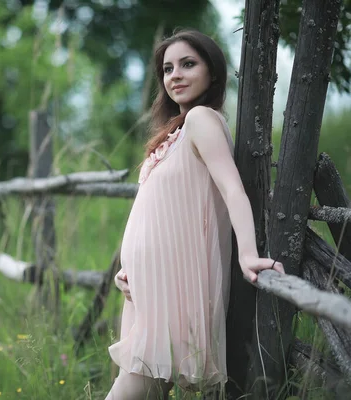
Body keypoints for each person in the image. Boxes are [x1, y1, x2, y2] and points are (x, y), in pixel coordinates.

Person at [105, 29, 285, 400]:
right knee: (142, 389)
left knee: (130, 391)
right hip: (142, 287)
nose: (176, 75)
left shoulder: (203, 119)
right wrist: (129, 267)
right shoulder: (176, 130)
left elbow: (233, 189)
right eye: (168, 69)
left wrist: (248, 254)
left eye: (188, 64)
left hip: (173, 287)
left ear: (213, 73)